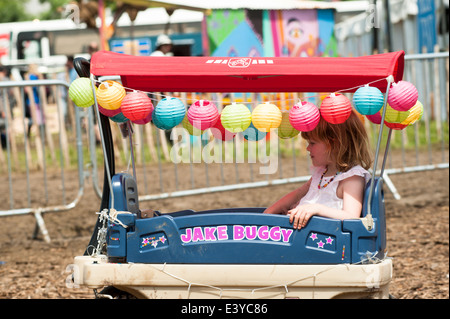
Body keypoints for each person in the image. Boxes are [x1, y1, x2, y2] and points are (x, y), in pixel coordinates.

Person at [264, 110, 373, 229]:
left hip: (326, 242)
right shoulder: (322, 173)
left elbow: (352, 217)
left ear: (334, 144)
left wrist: (316, 208)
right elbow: (298, 194)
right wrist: (269, 212)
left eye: (312, 143)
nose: (308, 148)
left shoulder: (351, 178)